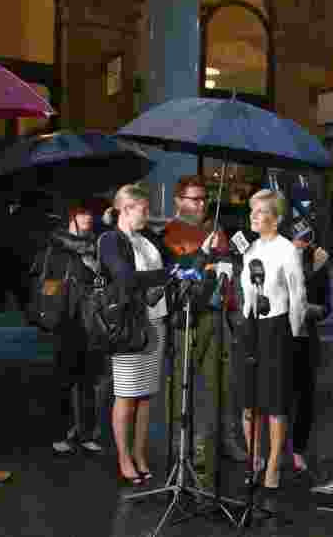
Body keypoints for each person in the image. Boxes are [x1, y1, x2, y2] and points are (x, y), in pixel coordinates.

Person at [161, 175, 248, 486]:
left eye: (203, 199)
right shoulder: (171, 233)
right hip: (188, 317)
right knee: (184, 384)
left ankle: (218, 443)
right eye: (193, 199)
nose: (200, 205)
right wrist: (206, 254)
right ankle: (182, 447)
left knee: (219, 384)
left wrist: (228, 259)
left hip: (218, 313)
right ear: (178, 201)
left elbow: (230, 266)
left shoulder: (215, 229)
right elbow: (182, 269)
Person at [99, 184, 187, 486]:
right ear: (126, 209)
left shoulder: (146, 240)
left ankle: (140, 454)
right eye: (143, 209)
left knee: (146, 396)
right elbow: (124, 279)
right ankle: (124, 457)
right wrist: (165, 276)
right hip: (129, 325)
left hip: (155, 320)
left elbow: (164, 270)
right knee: (126, 395)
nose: (148, 215)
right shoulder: (111, 239)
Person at [238, 189, 307, 489]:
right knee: (248, 401)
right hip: (250, 327)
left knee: (275, 403)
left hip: (278, 328)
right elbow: (246, 291)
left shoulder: (287, 250)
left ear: (276, 219)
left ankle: (274, 464)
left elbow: (298, 296)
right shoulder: (250, 249)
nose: (254, 216)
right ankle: (254, 460)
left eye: (261, 211)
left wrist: (292, 333)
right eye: (252, 211)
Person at [43, 201, 111, 456]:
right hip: (67, 318)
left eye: (89, 212)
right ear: (71, 216)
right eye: (82, 213)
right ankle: (59, 432)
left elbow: (104, 279)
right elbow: (50, 281)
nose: (88, 217)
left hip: (91, 318)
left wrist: (97, 273)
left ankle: (85, 433)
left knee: (88, 379)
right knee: (63, 378)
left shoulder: (97, 244)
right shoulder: (59, 244)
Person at [288, 225, 332, 481]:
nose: (300, 243)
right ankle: (267, 452)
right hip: (279, 336)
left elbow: (327, 307)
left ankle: (298, 449)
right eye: (296, 238)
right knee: (276, 397)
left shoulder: (319, 262)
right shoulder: (279, 257)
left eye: (305, 239)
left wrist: (311, 311)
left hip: (305, 337)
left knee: (305, 397)